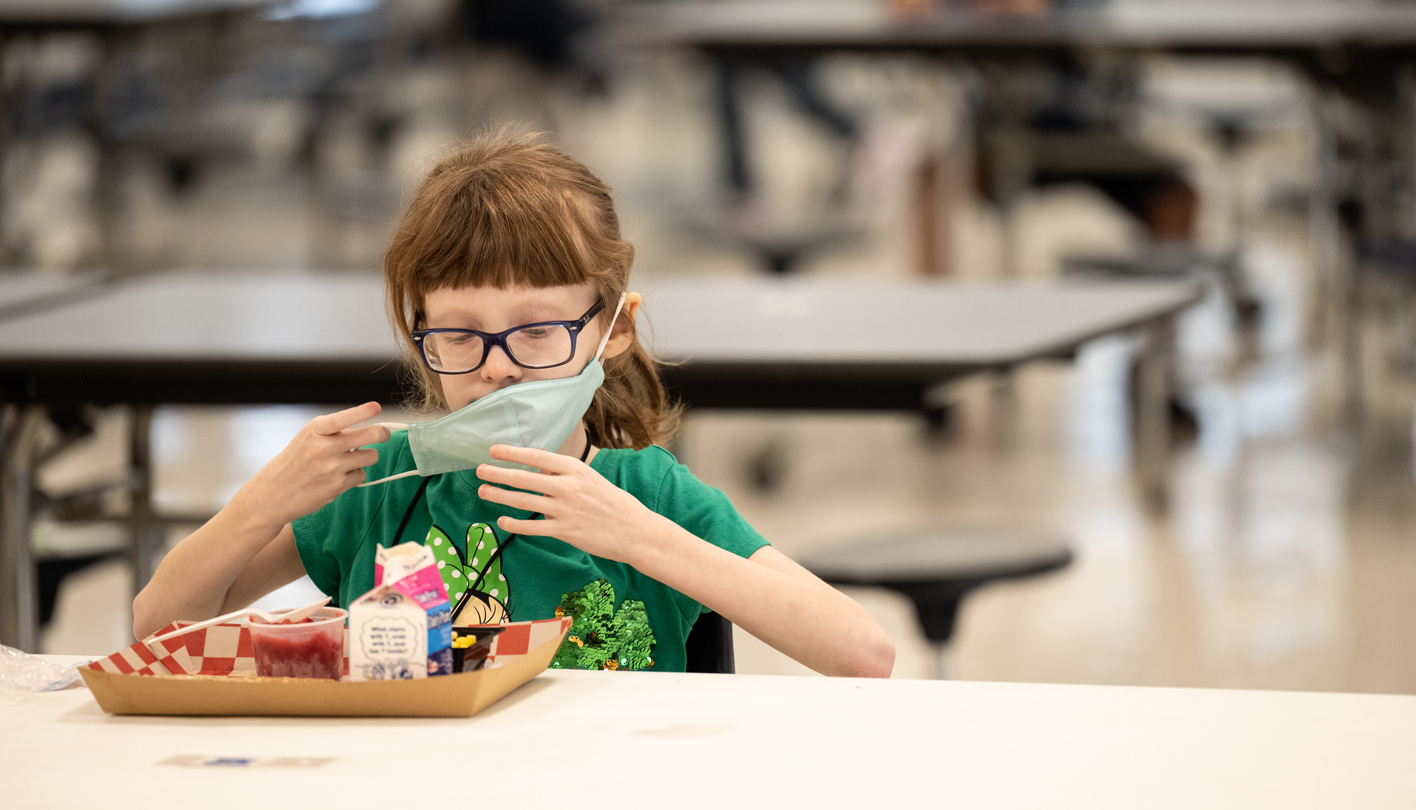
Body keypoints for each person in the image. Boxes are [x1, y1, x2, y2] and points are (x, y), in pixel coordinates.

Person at [132, 131, 895, 678]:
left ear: (613, 331)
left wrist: (640, 538)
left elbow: (863, 653)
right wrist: (259, 504)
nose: (498, 370)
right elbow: (157, 629)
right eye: (460, 336)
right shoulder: (381, 485)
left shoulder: (648, 493)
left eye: (537, 332)